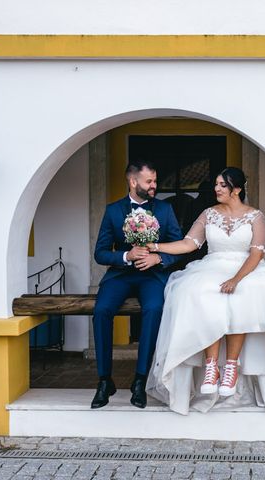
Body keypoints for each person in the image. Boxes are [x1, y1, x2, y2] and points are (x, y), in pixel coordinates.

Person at [146, 167, 265, 415]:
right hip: (212, 265)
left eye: (222, 185)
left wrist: (236, 279)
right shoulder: (208, 214)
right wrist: (156, 246)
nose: (216, 189)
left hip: (246, 267)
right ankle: (212, 366)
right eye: (216, 184)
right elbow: (189, 244)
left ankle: (231, 367)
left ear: (236, 189)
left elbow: (257, 253)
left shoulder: (256, 216)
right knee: (198, 291)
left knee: (247, 294)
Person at [92, 160, 182, 409]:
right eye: (149, 181)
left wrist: (159, 258)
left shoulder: (164, 210)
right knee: (101, 311)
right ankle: (104, 380)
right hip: (120, 275)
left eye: (155, 180)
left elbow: (180, 247)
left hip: (152, 275)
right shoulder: (113, 211)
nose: (154, 185)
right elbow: (100, 253)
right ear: (133, 182)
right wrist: (125, 256)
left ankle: (140, 380)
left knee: (154, 309)